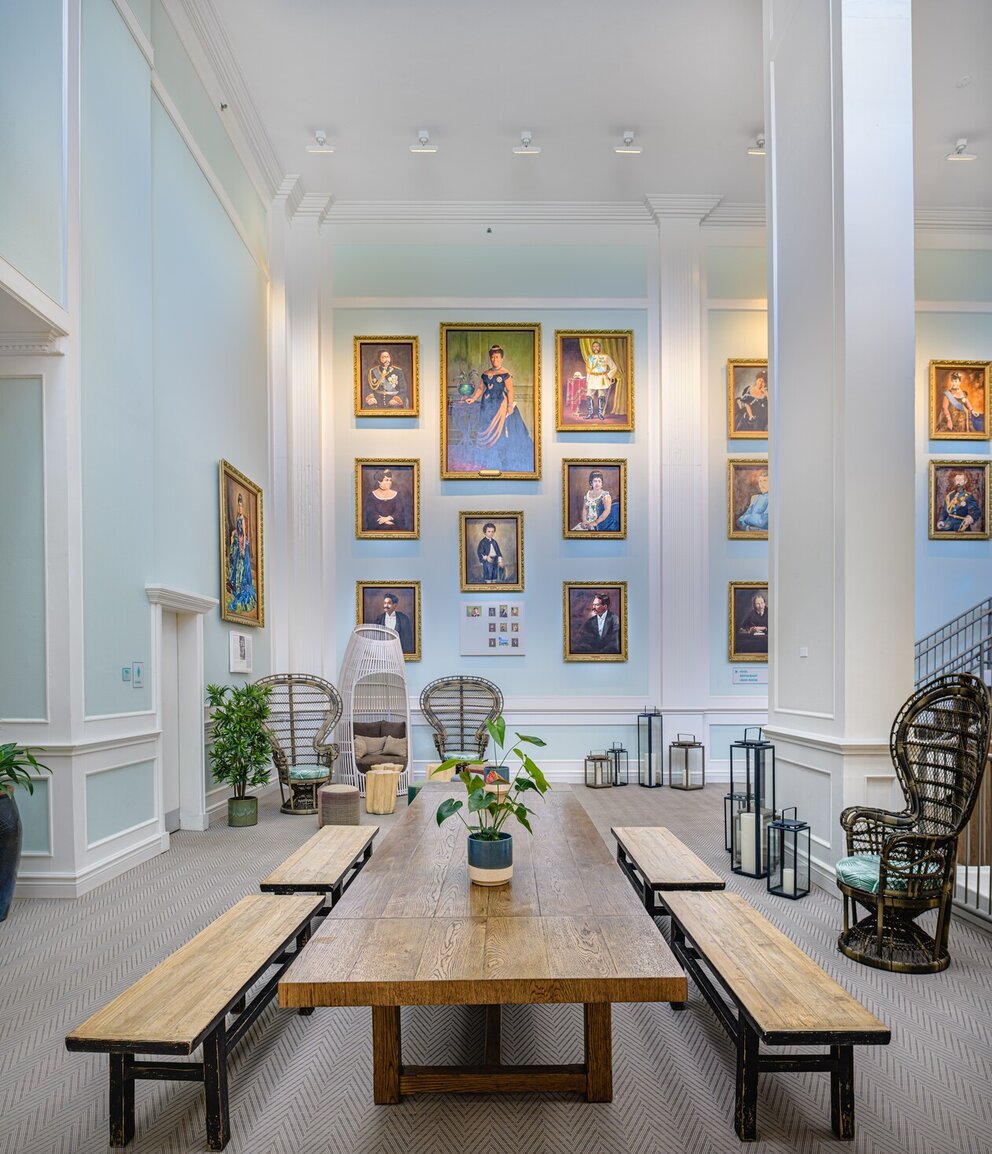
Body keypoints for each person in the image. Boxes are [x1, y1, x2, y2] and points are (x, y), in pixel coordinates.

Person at [460, 345, 534, 471]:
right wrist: (473, 398)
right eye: (492, 357)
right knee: (484, 428)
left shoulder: (505, 374)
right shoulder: (485, 374)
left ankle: (500, 460)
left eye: (497, 357)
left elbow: (510, 390)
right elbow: (480, 389)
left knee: (501, 435)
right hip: (486, 406)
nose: (494, 359)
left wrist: (510, 406)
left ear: (501, 358)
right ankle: (486, 459)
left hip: (500, 406)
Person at [226, 493, 257, 614]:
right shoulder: (237, 517)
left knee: (242, 566)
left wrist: (243, 547)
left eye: (240, 507)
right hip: (238, 542)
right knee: (236, 564)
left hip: (242, 543)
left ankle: (241, 584)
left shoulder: (242, 519)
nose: (239, 509)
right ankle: (234, 582)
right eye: (238, 507)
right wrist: (233, 533)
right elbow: (237, 531)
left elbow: (243, 533)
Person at [584, 340, 620, 420]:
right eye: (594, 346)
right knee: (589, 395)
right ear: (592, 348)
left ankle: (600, 414)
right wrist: (587, 379)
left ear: (600, 347)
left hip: (601, 379)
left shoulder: (606, 357)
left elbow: (614, 368)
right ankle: (590, 414)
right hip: (592, 378)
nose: (595, 348)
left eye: (597, 346)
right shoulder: (590, 357)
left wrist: (608, 375)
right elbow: (588, 370)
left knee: (601, 396)